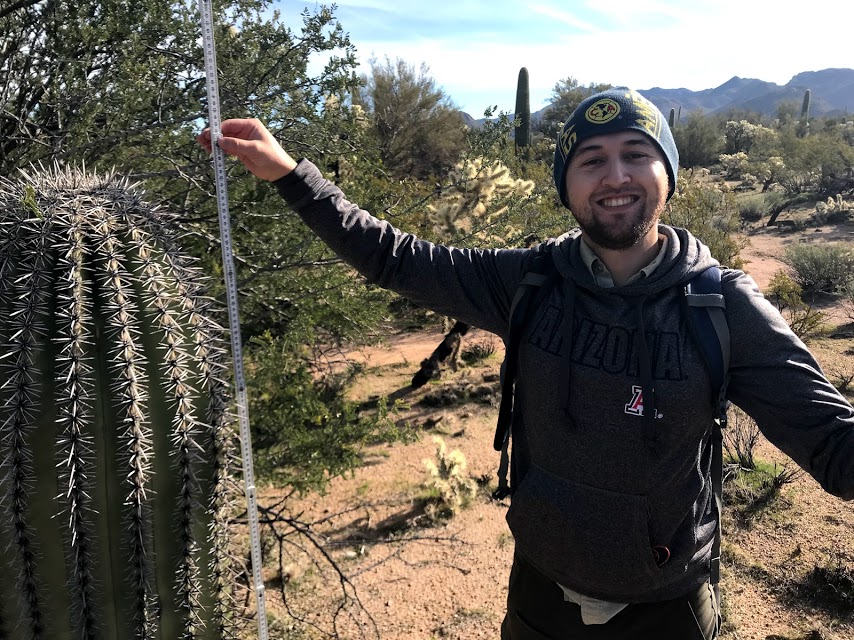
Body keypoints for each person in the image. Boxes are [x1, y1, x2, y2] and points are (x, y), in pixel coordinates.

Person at [198, 88, 854, 639]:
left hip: (666, 610)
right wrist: (292, 177)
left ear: (668, 177)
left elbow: (832, 443)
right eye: (591, 159)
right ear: (567, 185)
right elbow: (397, 259)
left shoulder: (721, 305)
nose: (616, 175)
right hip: (539, 594)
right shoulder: (528, 280)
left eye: (637, 154)